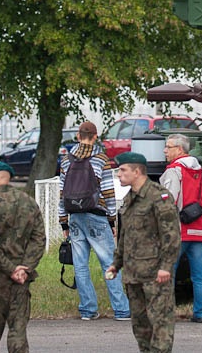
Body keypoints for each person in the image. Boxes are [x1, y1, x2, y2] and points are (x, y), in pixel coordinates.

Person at [106, 152, 180, 353]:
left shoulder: (159, 196)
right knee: (140, 326)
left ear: (137, 171)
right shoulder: (130, 198)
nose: (119, 175)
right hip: (133, 274)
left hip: (155, 274)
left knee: (160, 323)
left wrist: (166, 267)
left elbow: (171, 235)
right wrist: (116, 263)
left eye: (122, 170)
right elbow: (125, 235)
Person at [58, 121, 130, 321]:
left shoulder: (66, 160)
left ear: (78, 136)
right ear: (95, 136)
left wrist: (64, 221)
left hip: (74, 216)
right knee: (108, 263)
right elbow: (108, 191)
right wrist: (112, 220)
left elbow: (62, 193)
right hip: (96, 215)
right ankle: (122, 309)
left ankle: (88, 309)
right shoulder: (100, 159)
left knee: (80, 265)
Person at [0, 160, 45, 353]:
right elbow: (39, 239)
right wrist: (25, 267)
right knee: (18, 332)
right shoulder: (28, 202)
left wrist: (10, 269)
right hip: (21, 279)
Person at [160, 133, 202, 323]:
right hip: (198, 231)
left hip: (177, 231)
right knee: (200, 275)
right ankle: (200, 313)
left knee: (167, 272)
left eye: (168, 147)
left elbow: (168, 202)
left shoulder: (173, 171)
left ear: (180, 149)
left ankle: (167, 313)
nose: (165, 150)